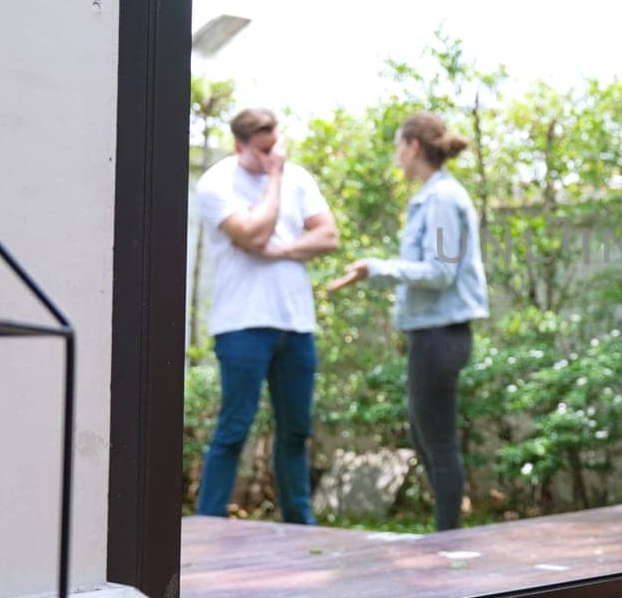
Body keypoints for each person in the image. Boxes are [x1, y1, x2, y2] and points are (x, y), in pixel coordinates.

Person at [328, 112, 488, 532]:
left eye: (399, 146)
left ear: (414, 147)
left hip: (441, 333)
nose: (396, 156)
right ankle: (447, 535)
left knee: (438, 442)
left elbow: (440, 271)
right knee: (425, 438)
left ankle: (448, 541)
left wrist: (377, 267)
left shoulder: (441, 199)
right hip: (430, 333)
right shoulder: (432, 196)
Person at [194, 108, 339, 525]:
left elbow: (328, 235)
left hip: (296, 324)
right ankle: (209, 524)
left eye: (277, 144)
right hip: (242, 324)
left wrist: (279, 250)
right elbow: (252, 231)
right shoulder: (217, 183)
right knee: (234, 428)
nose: (276, 155)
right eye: (264, 150)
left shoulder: (300, 177)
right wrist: (273, 180)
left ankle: (300, 525)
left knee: (295, 431)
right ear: (240, 146)